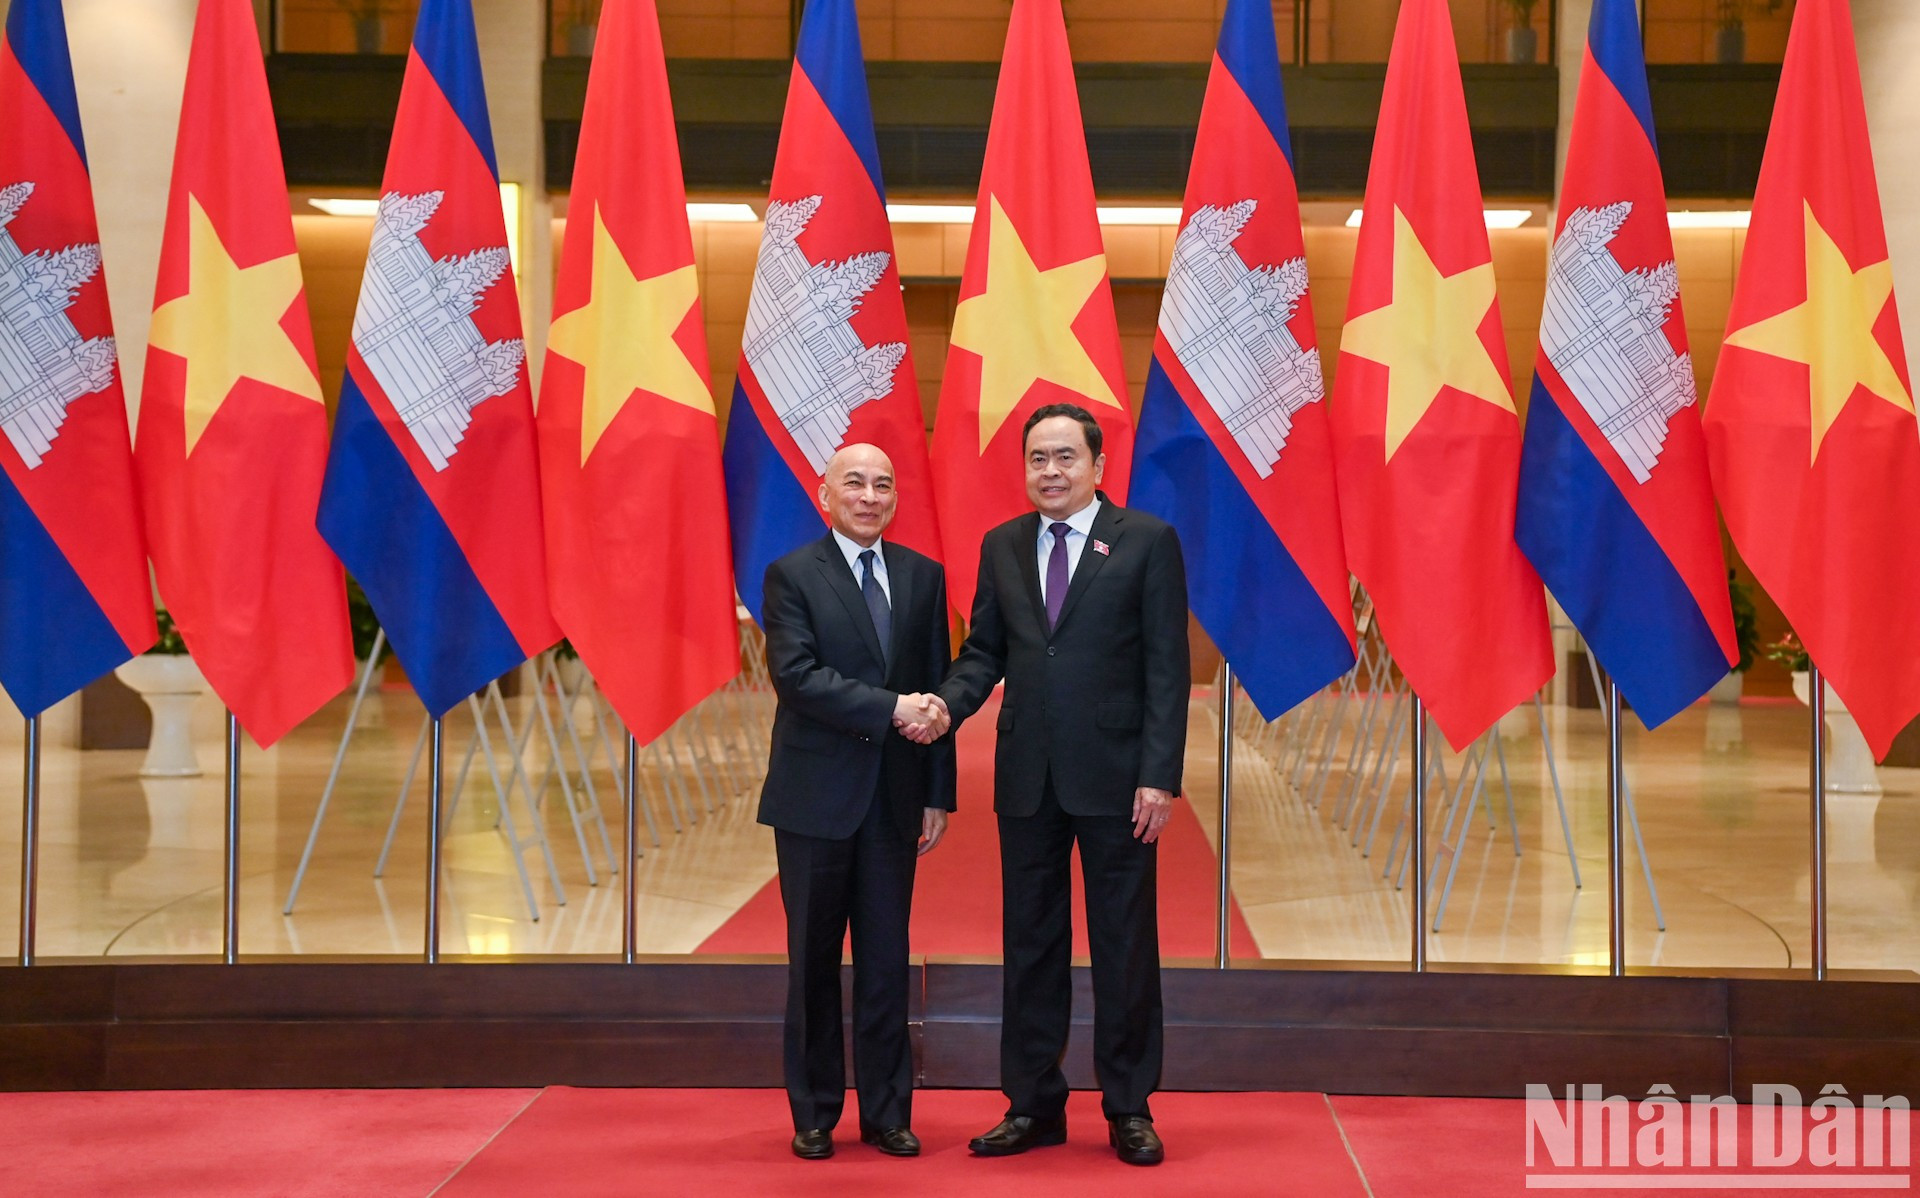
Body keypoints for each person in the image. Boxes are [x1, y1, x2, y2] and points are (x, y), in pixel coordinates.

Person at [936, 403, 1190, 1167]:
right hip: (1028, 779)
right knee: (1031, 945)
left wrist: (1159, 776)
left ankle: (1129, 1106)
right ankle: (1033, 1104)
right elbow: (985, 651)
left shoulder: (1146, 541)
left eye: (1065, 458)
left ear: (1097, 466)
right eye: (1038, 460)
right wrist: (943, 706)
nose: (1050, 472)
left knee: (1123, 945)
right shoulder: (1003, 545)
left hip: (1118, 782)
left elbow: (1166, 672)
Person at [755, 442, 955, 1161]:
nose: (870, 495)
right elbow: (798, 677)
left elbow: (938, 690)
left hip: (895, 800)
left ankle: (887, 1112)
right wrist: (892, 705)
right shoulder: (792, 576)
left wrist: (938, 793)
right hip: (814, 800)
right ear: (825, 494)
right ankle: (813, 1111)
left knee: (885, 960)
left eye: (883, 483)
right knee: (811, 961)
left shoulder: (923, 578)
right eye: (855, 483)